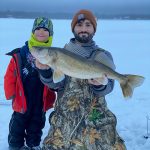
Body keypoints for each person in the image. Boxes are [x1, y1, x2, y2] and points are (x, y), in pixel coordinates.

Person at [36, 10, 126, 150]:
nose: (83, 29)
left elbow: (108, 87)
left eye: (88, 25)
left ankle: (126, 81)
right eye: (79, 25)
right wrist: (45, 71)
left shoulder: (103, 55)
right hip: (66, 117)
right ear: (73, 29)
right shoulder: (62, 52)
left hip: (95, 117)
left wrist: (100, 85)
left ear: (94, 29)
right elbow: (56, 84)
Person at [4, 17, 56, 150]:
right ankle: (15, 145)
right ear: (33, 32)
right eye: (38, 29)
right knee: (18, 124)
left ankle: (34, 144)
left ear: (50, 34)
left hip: (40, 99)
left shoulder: (53, 55)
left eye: (45, 30)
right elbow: (10, 75)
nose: (41, 32)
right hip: (22, 98)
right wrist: (11, 94)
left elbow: (56, 78)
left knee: (37, 123)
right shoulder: (21, 53)